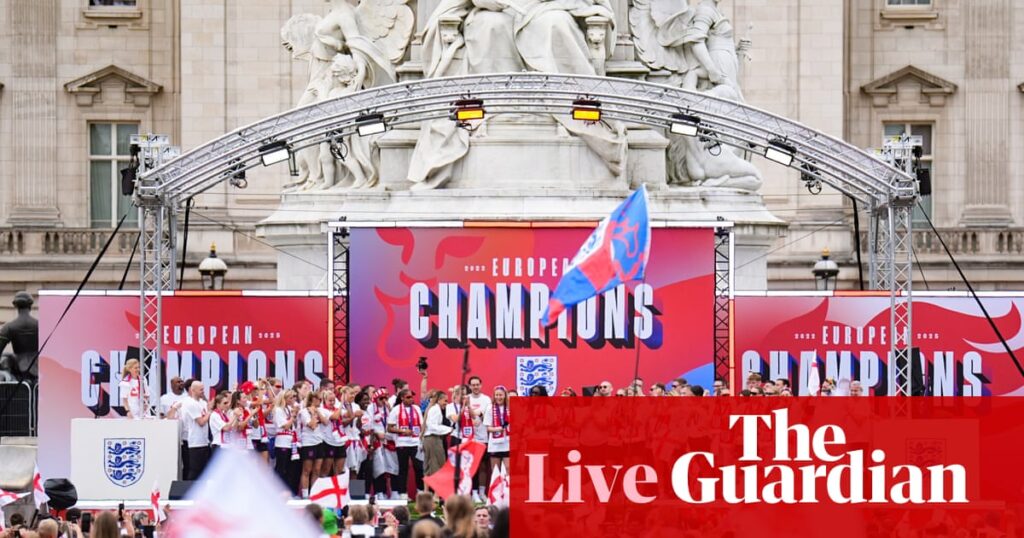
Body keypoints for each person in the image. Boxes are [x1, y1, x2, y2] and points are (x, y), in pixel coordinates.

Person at [166, 379, 211, 480]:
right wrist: (174, 408)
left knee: (201, 468)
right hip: (188, 439)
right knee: (190, 467)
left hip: (202, 439)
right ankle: (187, 489)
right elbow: (169, 416)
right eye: (201, 389)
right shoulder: (185, 402)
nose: (203, 391)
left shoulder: (202, 402)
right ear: (191, 389)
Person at [387, 388, 424, 499]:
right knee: (403, 468)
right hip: (402, 443)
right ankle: (403, 493)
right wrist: (403, 431)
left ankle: (420, 491)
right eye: (408, 397)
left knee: (419, 467)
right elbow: (389, 428)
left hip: (415, 442)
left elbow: (422, 425)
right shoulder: (396, 409)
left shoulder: (416, 408)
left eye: (412, 397)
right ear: (402, 398)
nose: (411, 399)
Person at [466, 376, 491, 502]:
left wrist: (472, 412)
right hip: (468, 438)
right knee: (470, 467)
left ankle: (481, 493)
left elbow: (480, 414)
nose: (475, 387)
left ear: (481, 385)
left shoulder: (486, 399)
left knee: (482, 466)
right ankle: (473, 492)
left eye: (477, 384)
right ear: (469, 386)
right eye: (473, 385)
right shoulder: (466, 399)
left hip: (483, 437)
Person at [273, 388, 301, 495]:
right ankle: (278, 492)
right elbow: (285, 426)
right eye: (291, 397)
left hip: (292, 442)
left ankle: (290, 492)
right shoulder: (278, 410)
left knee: (291, 469)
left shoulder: (289, 409)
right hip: (282, 443)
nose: (293, 399)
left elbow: (294, 426)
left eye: (294, 397)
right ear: (284, 398)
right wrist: (293, 416)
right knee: (281, 469)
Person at [299, 391, 325, 497]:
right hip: (308, 443)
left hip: (319, 441)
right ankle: (305, 495)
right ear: (312, 400)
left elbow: (326, 422)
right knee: (307, 470)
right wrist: (313, 414)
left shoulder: (321, 410)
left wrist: (317, 412)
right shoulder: (304, 412)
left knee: (317, 470)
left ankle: (314, 494)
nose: (320, 401)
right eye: (318, 399)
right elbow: (312, 425)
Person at [422, 390, 453, 480]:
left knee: (428, 467)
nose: (446, 404)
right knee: (438, 466)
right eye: (445, 401)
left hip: (430, 440)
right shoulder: (435, 409)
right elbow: (432, 426)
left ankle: (427, 492)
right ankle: (436, 493)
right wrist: (449, 429)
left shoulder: (434, 409)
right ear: (439, 400)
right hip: (433, 440)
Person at [320, 387, 347, 477]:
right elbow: (335, 416)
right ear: (324, 400)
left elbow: (350, 415)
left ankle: (357, 491)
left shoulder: (354, 405)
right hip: (329, 442)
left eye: (333, 400)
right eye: (330, 400)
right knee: (326, 470)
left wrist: (347, 403)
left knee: (353, 470)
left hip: (344, 441)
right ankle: (324, 490)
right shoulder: (322, 409)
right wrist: (342, 402)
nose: (332, 402)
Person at [485, 386, 510, 474]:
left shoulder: (510, 407)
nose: (498, 397)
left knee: (508, 469)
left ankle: (507, 488)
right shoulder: (489, 408)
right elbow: (488, 428)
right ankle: (496, 488)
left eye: (501, 395)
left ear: (505, 395)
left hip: (508, 443)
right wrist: (497, 429)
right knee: (496, 471)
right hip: (495, 444)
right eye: (497, 395)